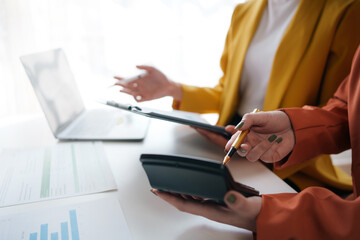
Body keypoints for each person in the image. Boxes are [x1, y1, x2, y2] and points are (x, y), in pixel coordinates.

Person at [115, 0, 360, 191]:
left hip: (290, 165)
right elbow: (229, 93)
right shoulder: (245, 11)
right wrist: (172, 88)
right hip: (228, 144)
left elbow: (334, 113)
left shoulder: (345, 11)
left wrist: (262, 146)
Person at [152, 44, 360, 239]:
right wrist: (295, 126)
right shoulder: (245, 10)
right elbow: (346, 106)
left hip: (298, 177)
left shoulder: (344, 10)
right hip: (251, 142)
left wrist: (269, 215)